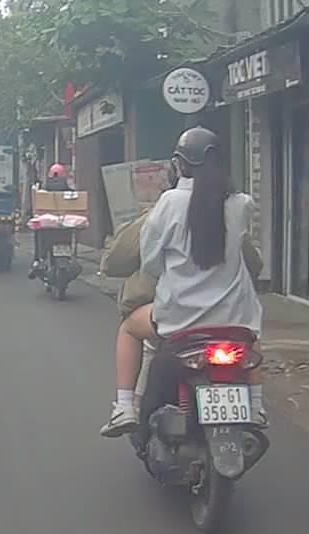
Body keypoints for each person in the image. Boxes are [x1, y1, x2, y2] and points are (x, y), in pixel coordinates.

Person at [99, 126, 266, 437]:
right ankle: (256, 406)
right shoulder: (242, 203)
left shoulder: (170, 202)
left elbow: (150, 262)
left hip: (179, 319)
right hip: (235, 318)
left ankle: (124, 407)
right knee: (250, 337)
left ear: (179, 164)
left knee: (129, 328)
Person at [32, 163, 73, 279]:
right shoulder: (69, 192)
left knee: (37, 233)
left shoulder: (44, 191)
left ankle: (38, 260)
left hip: (48, 229)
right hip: (65, 227)